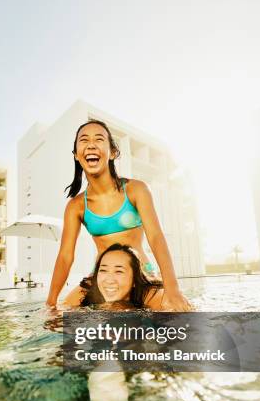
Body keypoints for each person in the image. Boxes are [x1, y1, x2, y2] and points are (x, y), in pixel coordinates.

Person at [46, 120, 192, 311]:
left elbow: (156, 237)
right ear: (76, 155)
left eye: (99, 139)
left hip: (142, 274)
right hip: (102, 278)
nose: (91, 144)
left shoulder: (136, 190)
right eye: (84, 140)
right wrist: (50, 302)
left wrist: (172, 289)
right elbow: (65, 256)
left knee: (180, 311)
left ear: (113, 152)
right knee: (61, 313)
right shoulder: (76, 206)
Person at [63, 243, 180, 310]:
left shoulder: (154, 297)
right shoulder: (85, 293)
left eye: (119, 271)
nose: (109, 280)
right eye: (103, 270)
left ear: (135, 279)